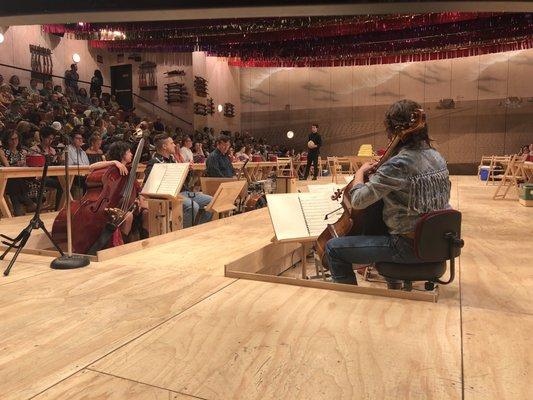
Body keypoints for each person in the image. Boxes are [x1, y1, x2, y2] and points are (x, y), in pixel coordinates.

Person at [325, 99, 451, 285]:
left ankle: (350, 302)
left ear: (394, 129)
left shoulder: (399, 164)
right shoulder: (437, 156)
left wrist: (360, 172)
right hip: (437, 244)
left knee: (333, 249)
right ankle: (395, 289)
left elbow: (358, 200)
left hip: (408, 247)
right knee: (383, 225)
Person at [144, 133, 213, 228]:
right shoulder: (154, 162)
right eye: (171, 143)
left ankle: (199, 228)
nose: (174, 145)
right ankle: (182, 233)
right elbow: (149, 184)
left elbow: (185, 182)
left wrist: (188, 171)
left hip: (183, 192)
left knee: (212, 201)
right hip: (167, 195)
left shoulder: (172, 160)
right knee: (193, 206)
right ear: (164, 146)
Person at [0, 130, 36, 215]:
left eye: (16, 138)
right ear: (7, 140)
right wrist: (17, 165)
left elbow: (27, 166)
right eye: (11, 139)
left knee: (16, 179)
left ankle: (18, 207)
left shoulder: (22, 152)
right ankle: (26, 201)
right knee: (13, 179)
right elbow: (7, 167)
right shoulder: (3, 152)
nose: (14, 141)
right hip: (7, 177)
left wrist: (24, 164)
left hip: (22, 176)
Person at [30, 126, 64, 210]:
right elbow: (32, 165)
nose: (51, 141)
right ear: (42, 137)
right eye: (49, 138)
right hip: (39, 176)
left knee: (66, 182)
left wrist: (59, 160)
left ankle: (61, 206)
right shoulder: (34, 149)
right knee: (62, 185)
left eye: (52, 139)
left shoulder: (52, 150)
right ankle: (57, 209)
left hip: (52, 174)